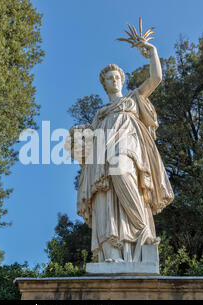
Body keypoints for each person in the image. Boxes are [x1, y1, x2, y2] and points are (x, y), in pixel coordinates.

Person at [72, 39, 174, 263]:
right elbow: (86, 141)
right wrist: (77, 136)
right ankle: (111, 252)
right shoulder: (100, 113)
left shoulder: (133, 98)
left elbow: (155, 78)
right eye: (110, 78)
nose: (114, 80)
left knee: (121, 172)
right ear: (104, 84)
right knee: (104, 197)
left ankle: (142, 230)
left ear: (122, 80)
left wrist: (153, 53)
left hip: (127, 147)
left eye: (117, 77)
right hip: (101, 155)